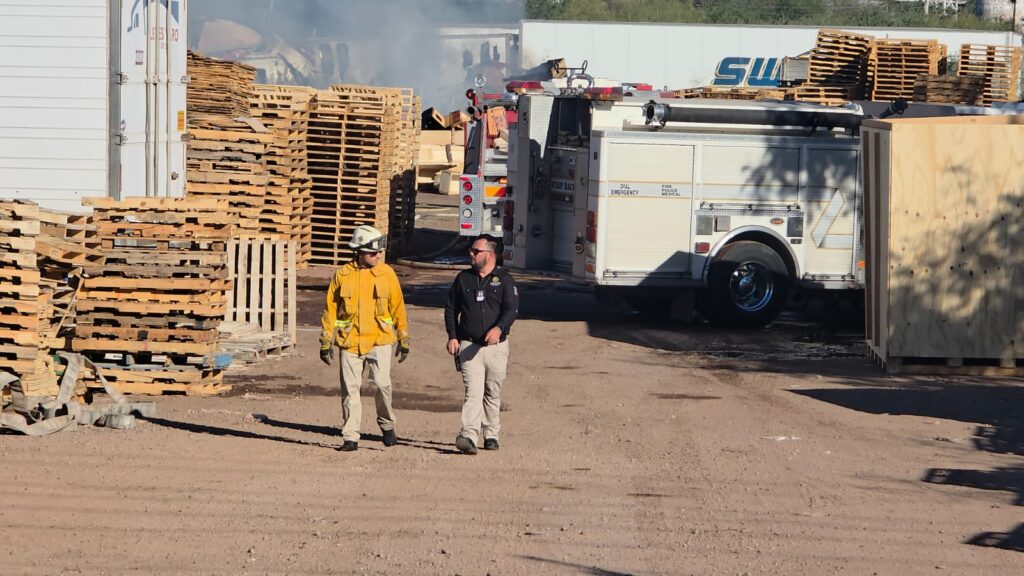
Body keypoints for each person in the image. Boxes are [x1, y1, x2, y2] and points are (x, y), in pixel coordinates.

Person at [320, 225, 410, 452]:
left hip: (379, 340)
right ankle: (350, 436)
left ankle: (387, 425)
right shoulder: (342, 275)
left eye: (380, 251)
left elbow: (398, 306)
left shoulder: (387, 273)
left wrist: (403, 337)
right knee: (350, 390)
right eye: (373, 252)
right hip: (350, 342)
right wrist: (325, 341)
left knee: (382, 385)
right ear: (359, 251)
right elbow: (330, 310)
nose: (378, 255)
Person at [444, 234, 519, 455]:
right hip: (469, 346)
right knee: (472, 392)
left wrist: (499, 329)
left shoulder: (504, 280)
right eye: (471, 250)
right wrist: (452, 336)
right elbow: (451, 308)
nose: (471, 254)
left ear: (489, 254)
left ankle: (491, 434)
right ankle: (468, 435)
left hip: (496, 349)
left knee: (492, 391)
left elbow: (511, 309)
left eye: (475, 251)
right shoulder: (463, 279)